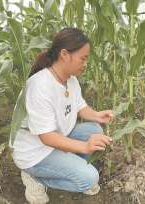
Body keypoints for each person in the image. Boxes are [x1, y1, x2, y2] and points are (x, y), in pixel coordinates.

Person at [11, 27, 114, 204]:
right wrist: (84, 147)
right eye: (83, 58)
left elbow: (80, 108)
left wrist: (97, 115)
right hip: (35, 153)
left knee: (95, 129)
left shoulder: (70, 80)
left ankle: (68, 166)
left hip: (56, 140)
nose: (85, 63)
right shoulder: (40, 86)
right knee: (89, 178)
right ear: (65, 54)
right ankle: (34, 178)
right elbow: (47, 137)